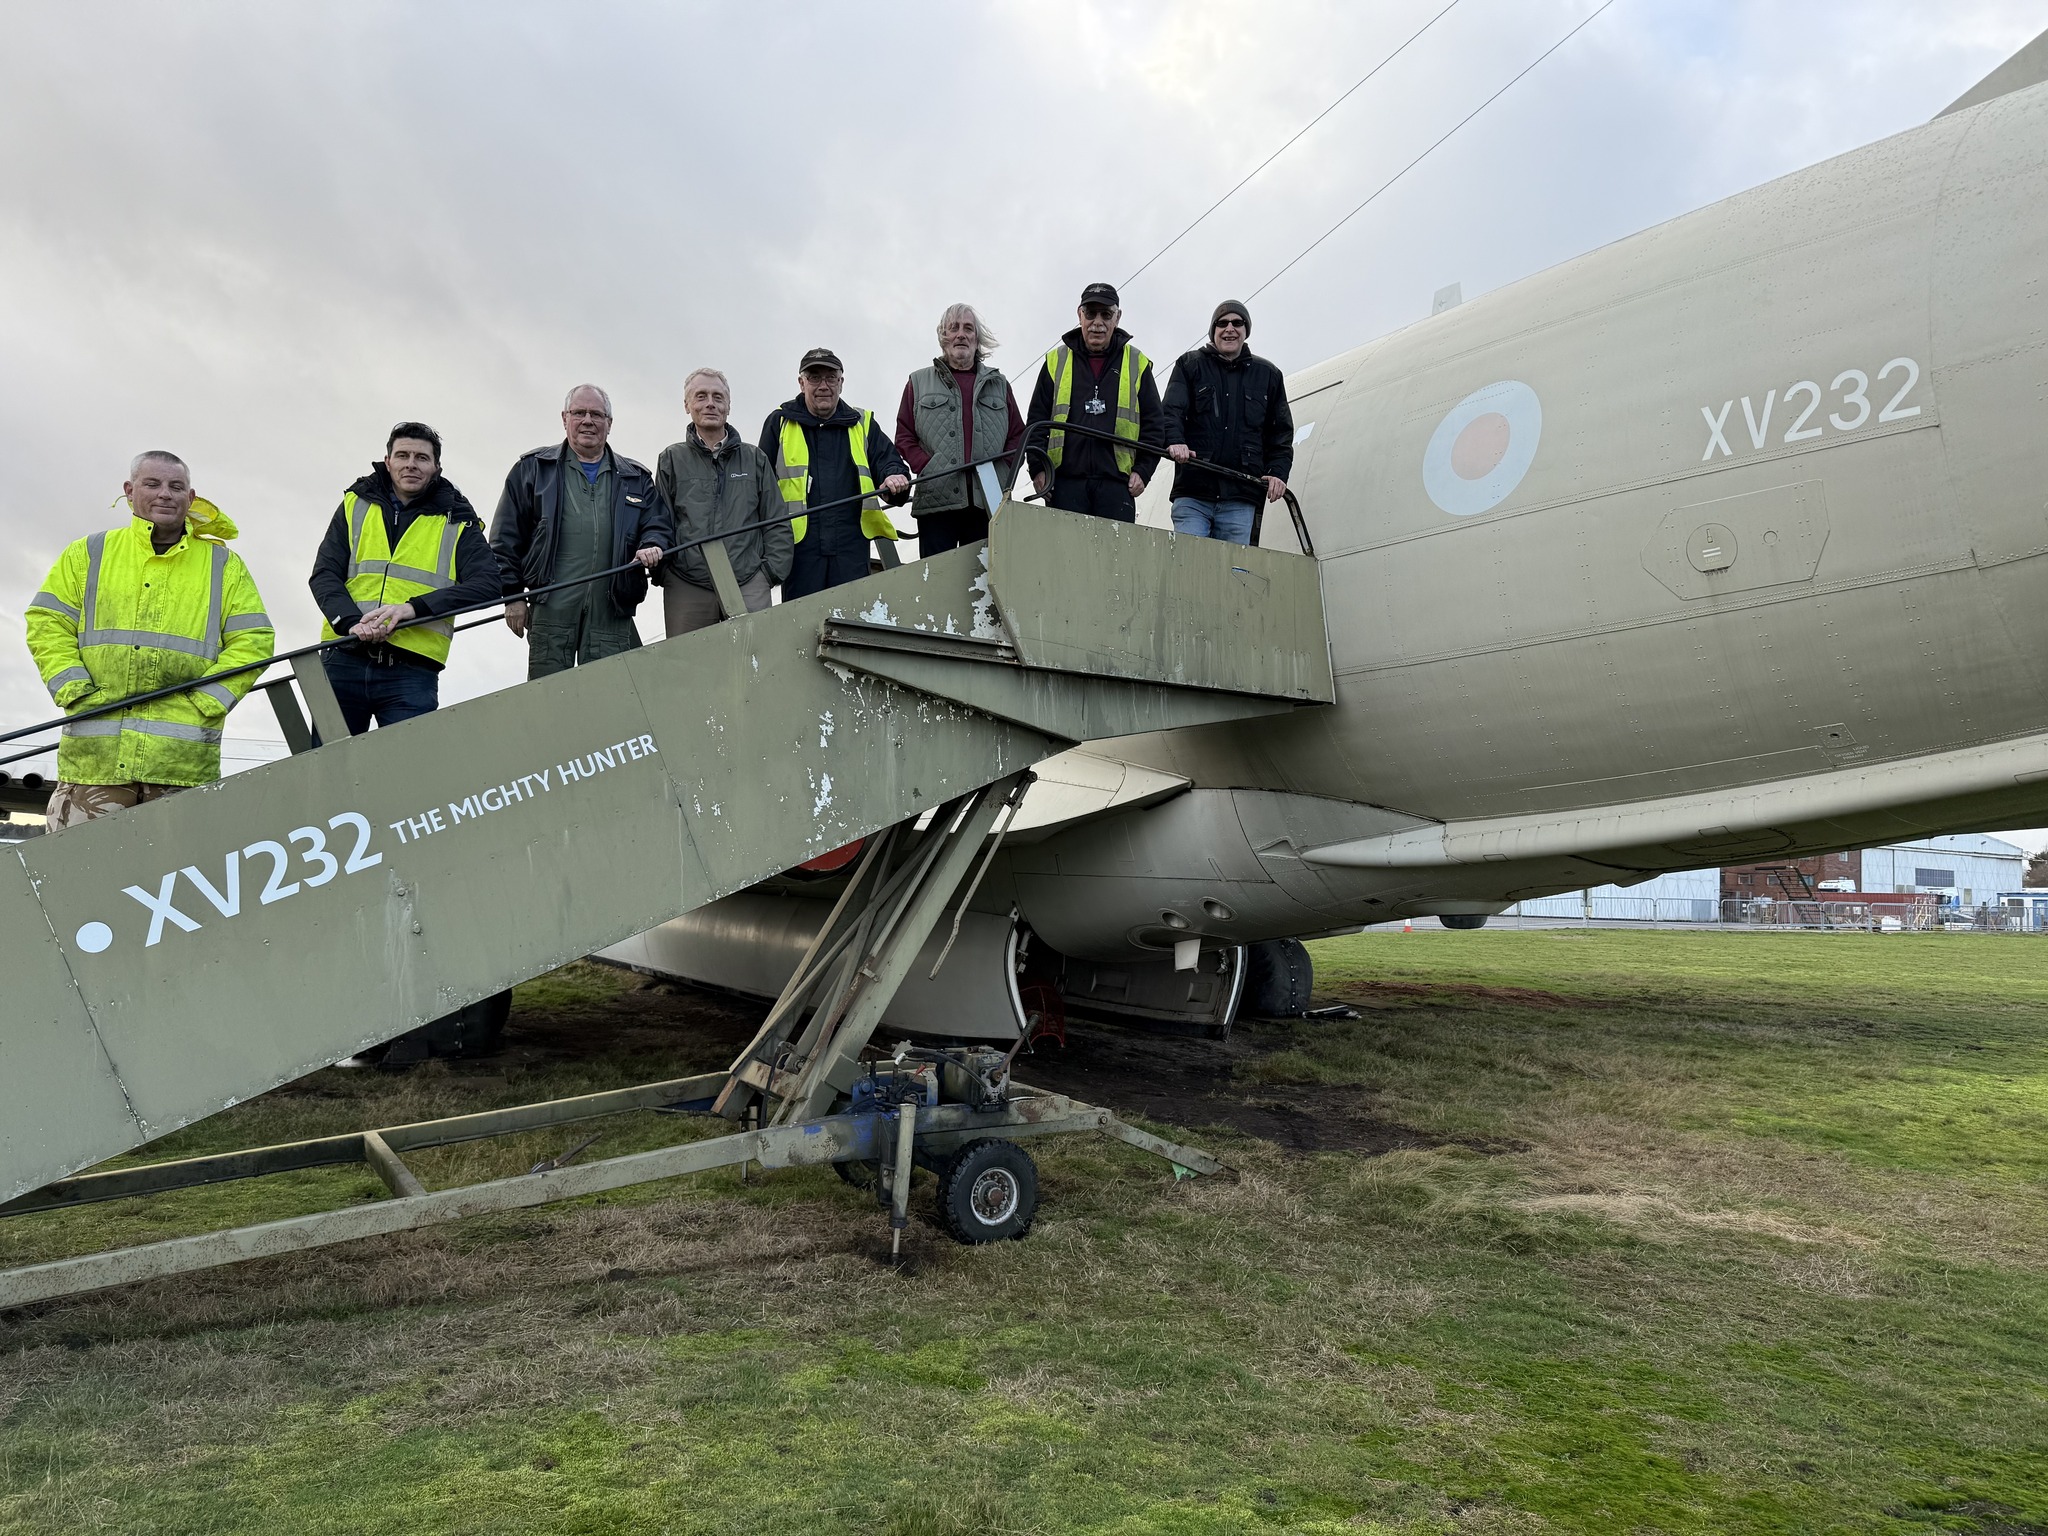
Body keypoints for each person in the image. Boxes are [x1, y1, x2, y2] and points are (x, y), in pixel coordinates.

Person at [27, 451, 274, 830]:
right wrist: (73, 688)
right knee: (77, 878)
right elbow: (46, 621)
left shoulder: (224, 566)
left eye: (176, 487)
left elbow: (254, 639)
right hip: (94, 765)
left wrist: (207, 702)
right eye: (152, 484)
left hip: (182, 766)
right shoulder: (88, 553)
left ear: (191, 499)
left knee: (181, 885)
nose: (165, 494)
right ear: (129, 491)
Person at [310, 421, 498, 733]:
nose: (411, 464)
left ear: (436, 467)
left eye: (422, 458)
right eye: (403, 455)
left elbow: (489, 584)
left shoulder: (458, 519)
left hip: (412, 670)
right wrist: (350, 623)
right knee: (329, 775)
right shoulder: (353, 504)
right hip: (344, 658)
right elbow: (323, 574)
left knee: (405, 777)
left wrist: (412, 609)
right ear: (388, 462)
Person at [490, 385, 672, 679]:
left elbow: (658, 523)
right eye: (579, 413)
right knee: (549, 697)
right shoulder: (533, 470)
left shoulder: (635, 478)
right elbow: (504, 539)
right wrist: (511, 596)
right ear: (565, 418)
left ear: (609, 424)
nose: (588, 420)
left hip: (612, 607)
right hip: (551, 606)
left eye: (597, 414)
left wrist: (651, 543)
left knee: (611, 696)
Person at [761, 348, 911, 599]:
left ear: (841, 383)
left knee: (852, 622)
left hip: (851, 545)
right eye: (814, 377)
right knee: (800, 626)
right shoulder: (780, 422)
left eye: (831, 378)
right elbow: (760, 483)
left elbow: (888, 461)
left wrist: (893, 476)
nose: (823, 386)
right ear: (801, 383)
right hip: (800, 548)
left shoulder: (862, 422)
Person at [657, 368, 791, 634]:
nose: (710, 403)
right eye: (701, 396)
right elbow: (660, 522)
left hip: (748, 581)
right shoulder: (671, 459)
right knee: (689, 668)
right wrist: (667, 574)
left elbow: (777, 522)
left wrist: (769, 574)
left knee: (756, 664)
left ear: (728, 406)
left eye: (718, 397)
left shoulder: (755, 459)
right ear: (687, 405)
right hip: (687, 585)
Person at [1024, 282, 1164, 522]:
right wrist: (1037, 468)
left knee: (1115, 560)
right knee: (1065, 558)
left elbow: (1155, 426)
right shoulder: (1054, 361)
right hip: (1064, 484)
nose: (1097, 322)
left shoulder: (1137, 363)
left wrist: (1143, 471)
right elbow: (1037, 421)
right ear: (1079, 315)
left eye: (1106, 314)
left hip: (1117, 486)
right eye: (1091, 313)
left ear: (1117, 318)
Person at [893, 303, 1026, 556]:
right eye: (953, 328)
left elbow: (1018, 435)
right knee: (935, 583)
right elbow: (904, 434)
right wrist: (927, 465)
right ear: (944, 337)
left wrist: (1002, 471)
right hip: (936, 503)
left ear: (977, 338)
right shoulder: (917, 382)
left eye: (968, 328)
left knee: (983, 584)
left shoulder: (1000, 384)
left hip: (987, 504)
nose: (961, 334)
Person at [1161, 299, 1295, 545]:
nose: (1229, 328)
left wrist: (1277, 472)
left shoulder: (1268, 375)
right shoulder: (1190, 365)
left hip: (1240, 499)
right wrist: (1175, 441)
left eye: (1237, 322)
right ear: (1213, 331)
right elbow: (1171, 411)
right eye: (1222, 323)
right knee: (1190, 566)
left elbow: (1281, 434)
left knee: (1232, 574)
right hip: (1194, 494)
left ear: (1246, 330)